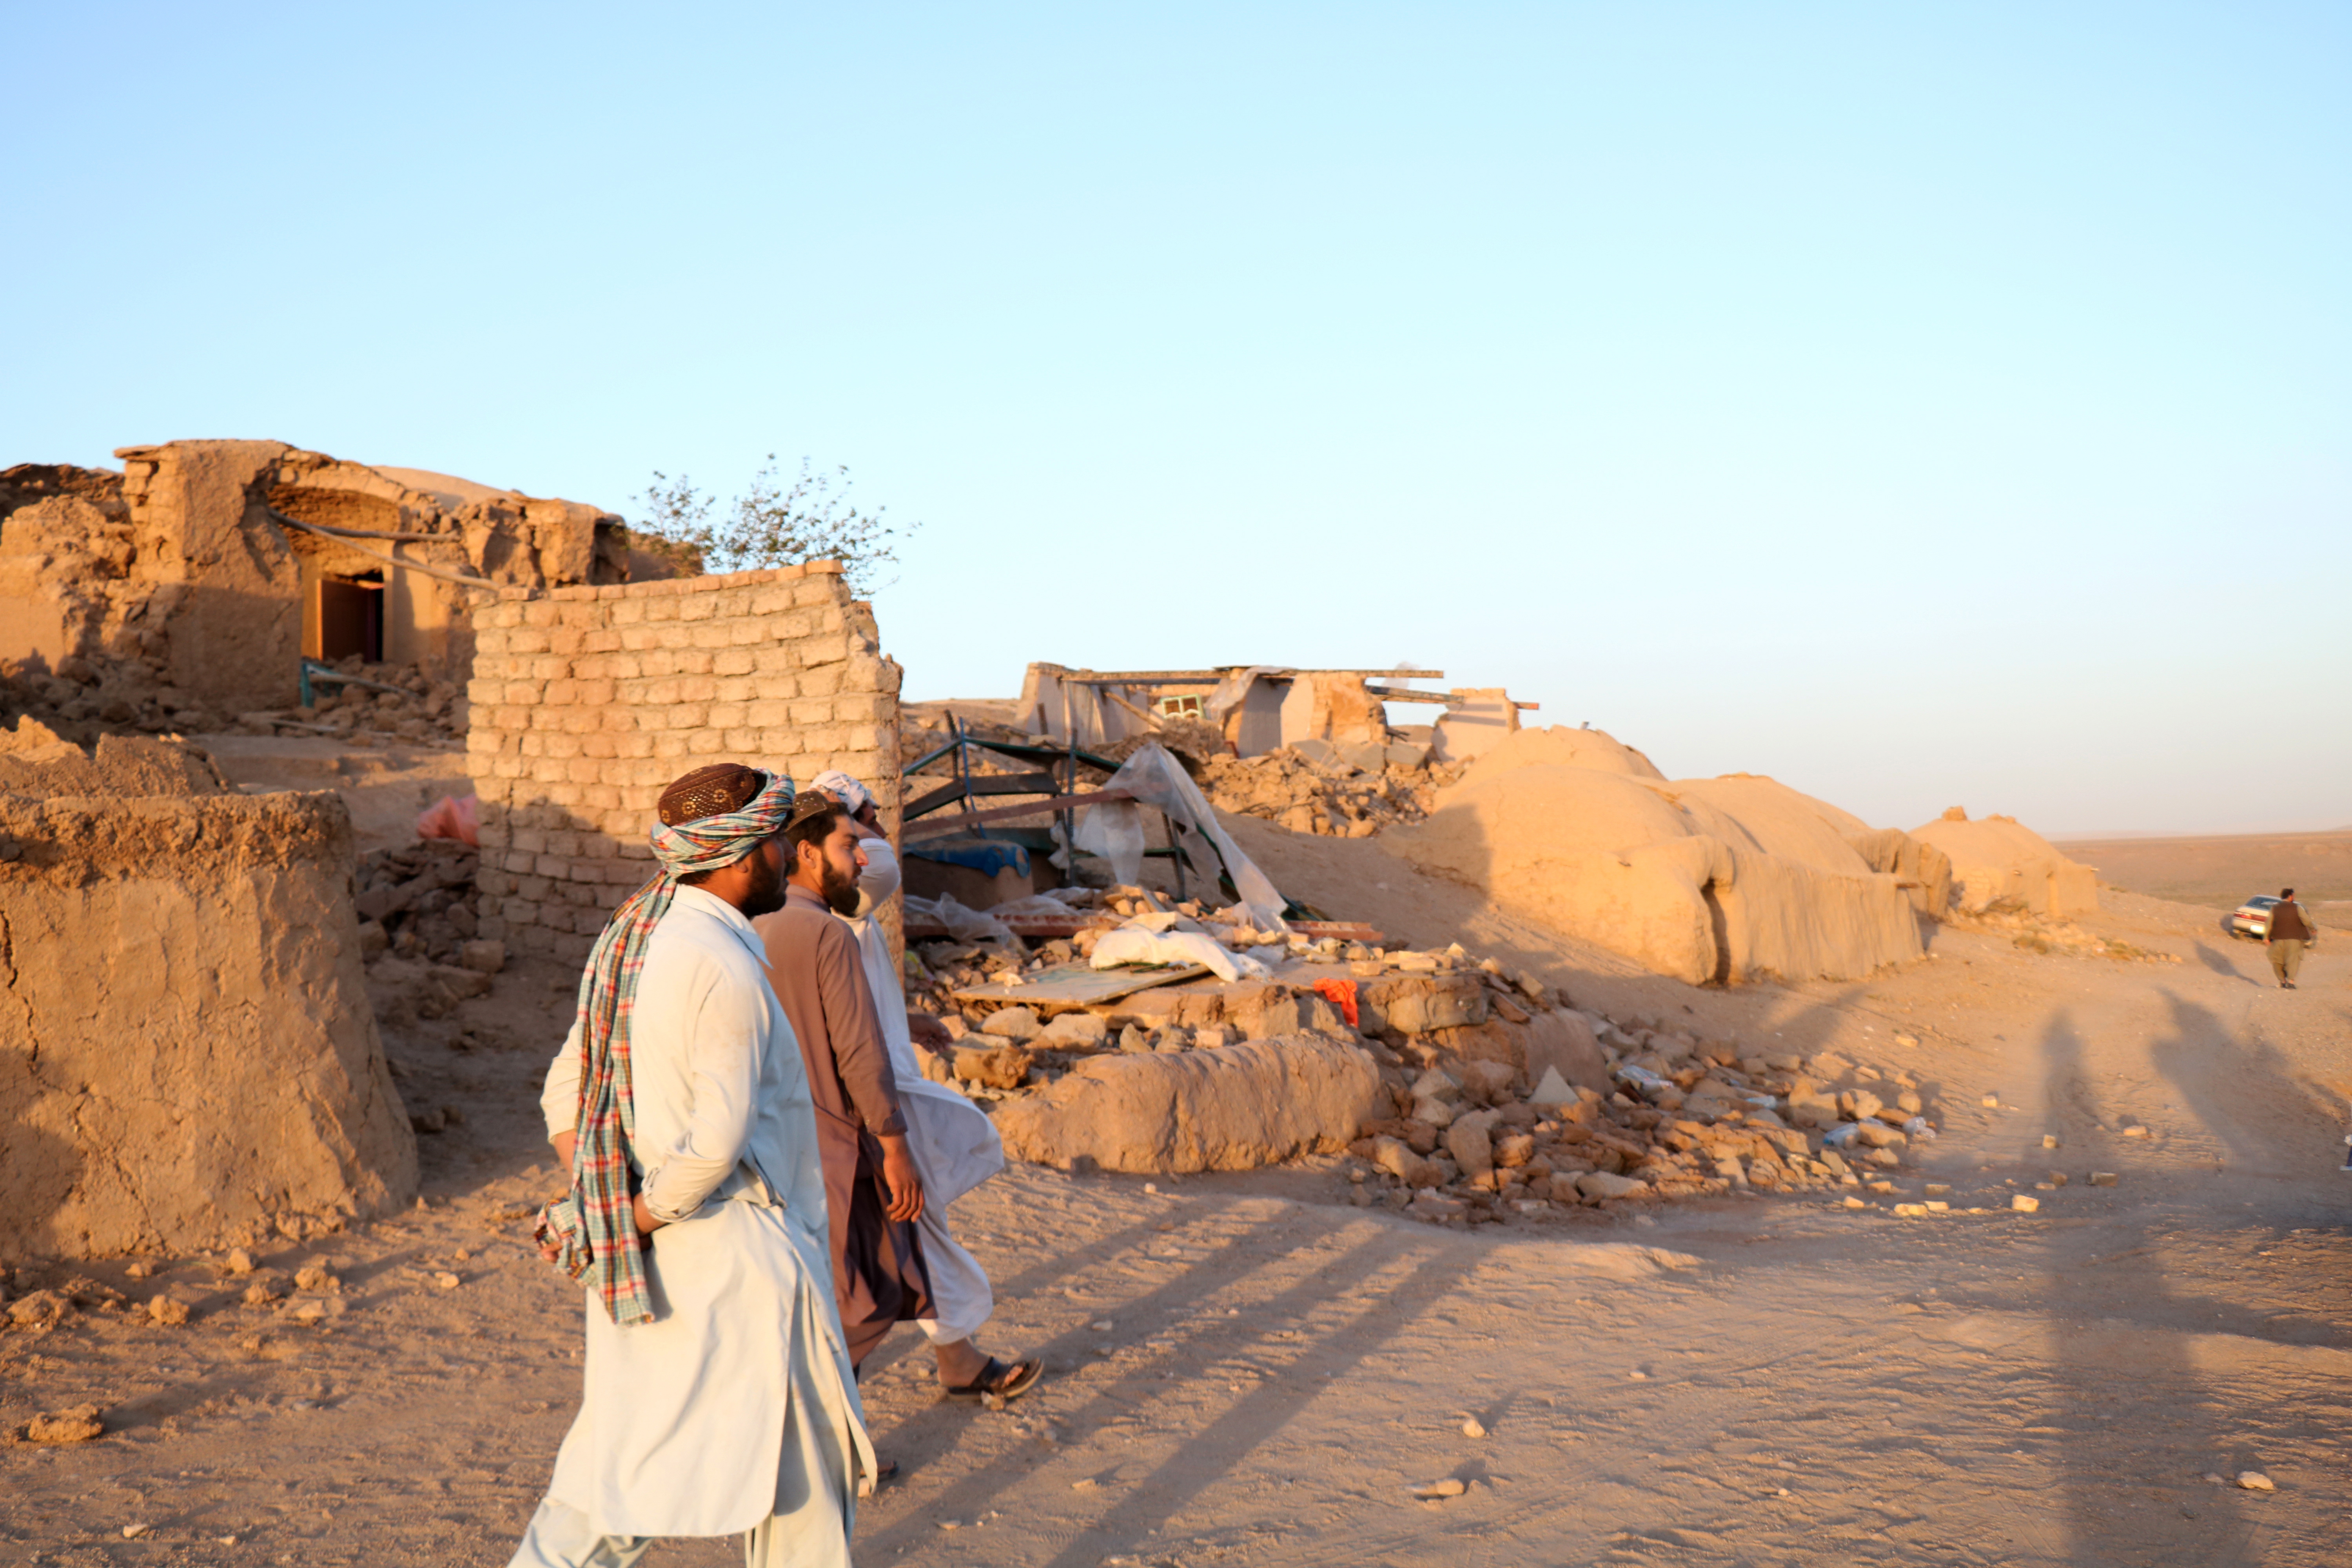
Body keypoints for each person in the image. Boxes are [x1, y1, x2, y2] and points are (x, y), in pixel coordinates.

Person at [513, 763, 874, 1568]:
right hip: (737, 1266)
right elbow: (715, 1144)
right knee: (798, 1486)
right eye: (780, 842)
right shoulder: (722, 963)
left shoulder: (633, 940)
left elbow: (564, 1091)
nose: (788, 856)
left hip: (653, 1260)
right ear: (745, 856)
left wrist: (602, 1204)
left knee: (617, 1478)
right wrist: (627, 1215)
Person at [808, 768, 1042, 1403]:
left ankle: (957, 1360)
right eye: (867, 818)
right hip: (853, 1106)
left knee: (914, 1225)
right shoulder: (843, 878)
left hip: (875, 1083)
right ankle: (834, 1432)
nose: (875, 834)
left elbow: (854, 987)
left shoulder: (838, 892)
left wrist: (899, 1019)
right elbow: (880, 861)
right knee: (859, 1264)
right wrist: (839, 816)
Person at [751, 792, 936, 1375]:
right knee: (864, 1300)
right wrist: (896, 1146)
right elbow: (859, 1050)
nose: (861, 859)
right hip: (832, 1146)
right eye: (849, 845)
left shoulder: (752, 925)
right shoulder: (827, 934)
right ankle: (819, 1443)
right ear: (806, 853)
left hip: (772, 1144)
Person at [2266, 887, 2318, 990]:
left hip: (2277, 939)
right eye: (2293, 895)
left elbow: (2269, 924)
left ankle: (2282, 981)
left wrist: (2266, 937)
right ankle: (2291, 982)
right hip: (2294, 939)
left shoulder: (2275, 909)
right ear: (2290, 896)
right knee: (2293, 960)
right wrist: (2312, 928)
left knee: (2277, 960)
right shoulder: (2297, 908)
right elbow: (2306, 921)